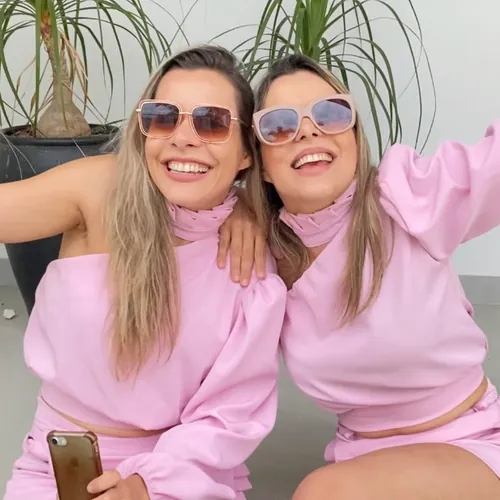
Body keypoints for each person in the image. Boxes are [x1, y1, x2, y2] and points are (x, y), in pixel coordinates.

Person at [1, 45, 287, 500]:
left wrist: (143, 486)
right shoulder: (100, 190)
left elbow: (230, 414)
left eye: (212, 122)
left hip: (181, 476)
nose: (183, 138)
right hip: (59, 469)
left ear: (247, 152)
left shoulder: (249, 254)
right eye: (163, 117)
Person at [221, 52, 500, 498]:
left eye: (331, 114)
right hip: (362, 459)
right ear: (261, 162)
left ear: (354, 137)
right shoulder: (260, 253)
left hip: (470, 436)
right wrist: (237, 206)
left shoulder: (406, 198)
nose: (308, 130)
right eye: (279, 125)